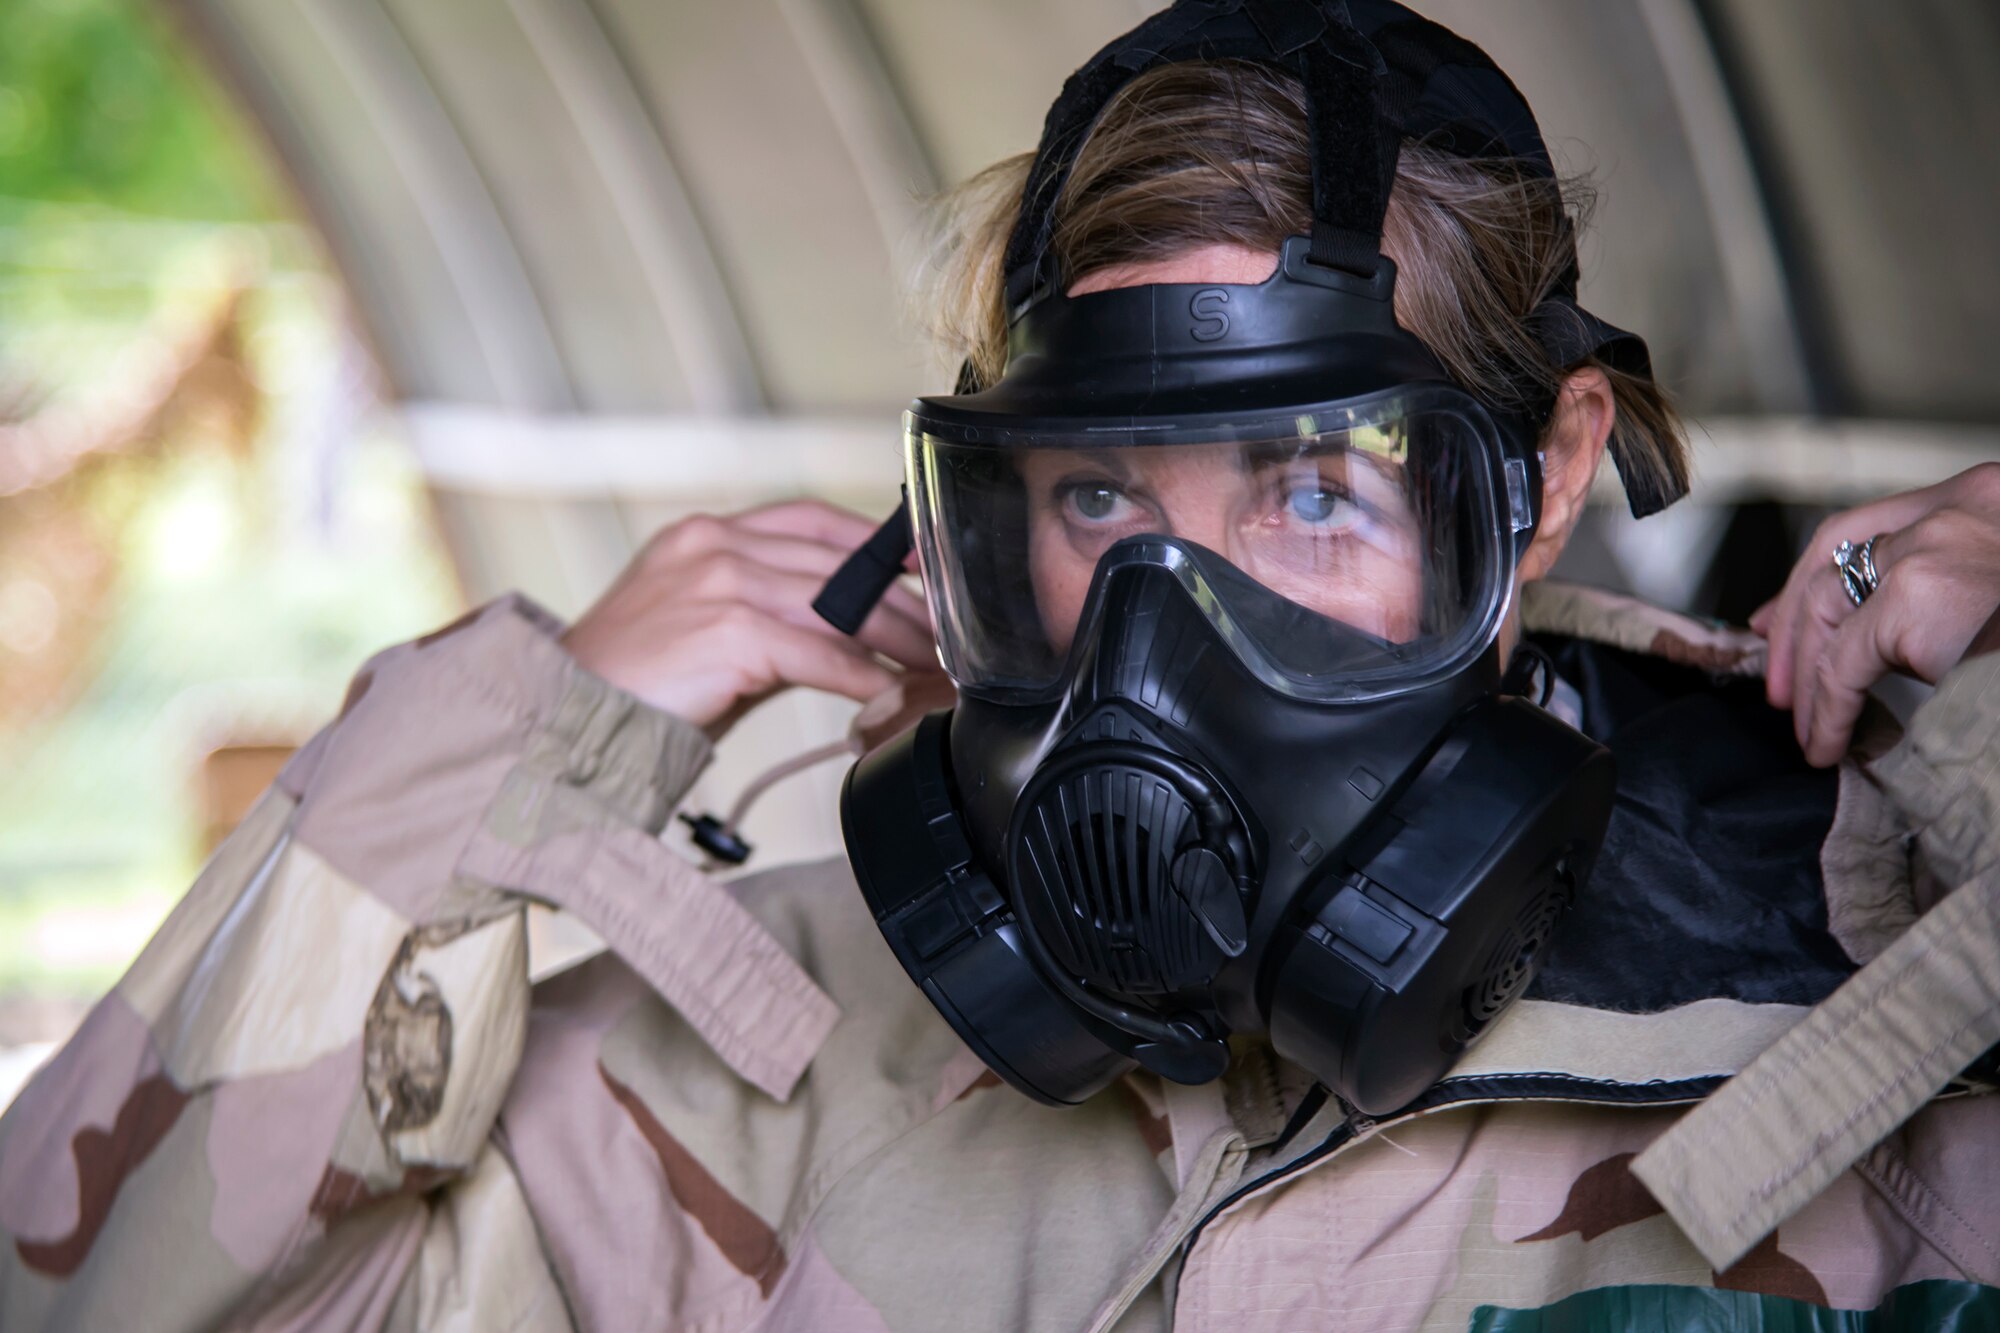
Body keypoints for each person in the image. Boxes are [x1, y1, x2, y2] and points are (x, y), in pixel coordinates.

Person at [4, 2, 1999, 1329]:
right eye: (1096, 507)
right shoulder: (762, 1051)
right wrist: (496, 754)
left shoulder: (1883, 1004)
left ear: (1543, 477)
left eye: (1309, 497)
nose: (1163, 641)